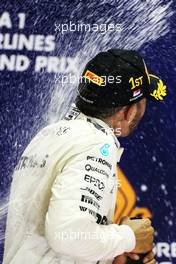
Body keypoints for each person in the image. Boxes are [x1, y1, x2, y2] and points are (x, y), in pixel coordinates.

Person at [3, 49, 166, 264]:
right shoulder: (96, 144)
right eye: (142, 102)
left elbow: (47, 243)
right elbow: (66, 233)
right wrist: (128, 237)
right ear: (129, 112)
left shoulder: (48, 135)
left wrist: (111, 256)